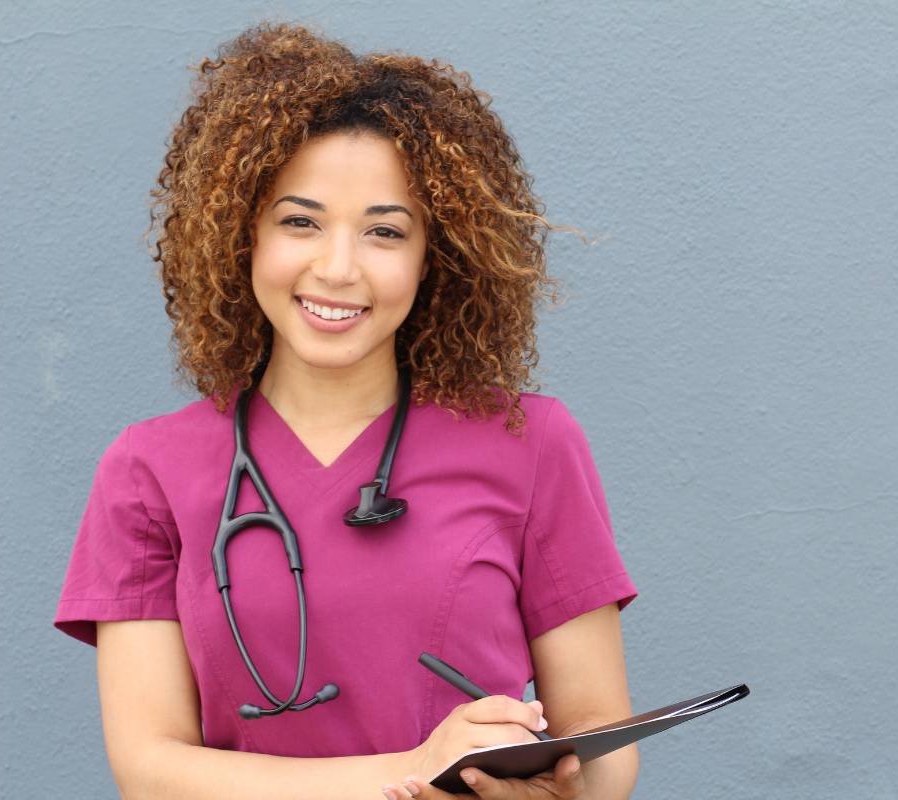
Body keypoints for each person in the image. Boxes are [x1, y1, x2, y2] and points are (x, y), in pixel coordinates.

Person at [52, 21, 640, 800]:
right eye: (299, 221)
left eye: (385, 232)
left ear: (438, 255)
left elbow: (602, 745)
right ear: (242, 237)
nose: (337, 268)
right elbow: (151, 771)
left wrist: (556, 789)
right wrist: (410, 774)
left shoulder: (532, 443)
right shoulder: (148, 472)